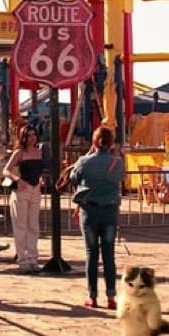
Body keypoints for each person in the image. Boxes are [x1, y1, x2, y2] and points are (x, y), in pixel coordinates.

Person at [62, 125, 124, 309]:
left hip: (89, 212)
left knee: (91, 254)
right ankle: (111, 297)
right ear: (111, 143)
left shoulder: (83, 161)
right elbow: (119, 178)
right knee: (108, 255)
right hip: (109, 211)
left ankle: (92, 296)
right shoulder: (118, 162)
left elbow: (72, 178)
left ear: (94, 141)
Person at [2, 123, 44, 272]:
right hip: (22, 190)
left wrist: (41, 179)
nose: (32, 138)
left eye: (34, 135)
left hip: (35, 189)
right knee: (21, 225)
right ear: (23, 138)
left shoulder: (40, 152)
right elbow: (6, 170)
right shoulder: (19, 152)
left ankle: (33, 258)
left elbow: (41, 170)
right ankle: (22, 259)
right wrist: (17, 179)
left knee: (33, 225)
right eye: (29, 136)